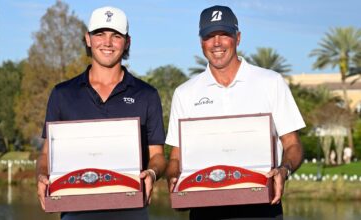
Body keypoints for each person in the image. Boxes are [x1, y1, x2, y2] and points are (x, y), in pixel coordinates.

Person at [166, 5, 305, 220]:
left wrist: (284, 170)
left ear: (238, 38)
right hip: (204, 207)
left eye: (224, 34)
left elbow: (292, 144)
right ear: (201, 41)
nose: (217, 43)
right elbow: (176, 157)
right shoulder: (184, 93)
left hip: (262, 205)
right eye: (209, 36)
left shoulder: (271, 82)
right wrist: (174, 179)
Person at [36, 6, 166, 220]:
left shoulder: (147, 94)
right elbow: (45, 154)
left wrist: (151, 173)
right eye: (100, 34)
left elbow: (158, 156)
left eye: (116, 36)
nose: (107, 42)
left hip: (131, 210)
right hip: (75, 211)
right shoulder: (62, 93)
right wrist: (41, 175)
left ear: (127, 42)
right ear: (88, 39)